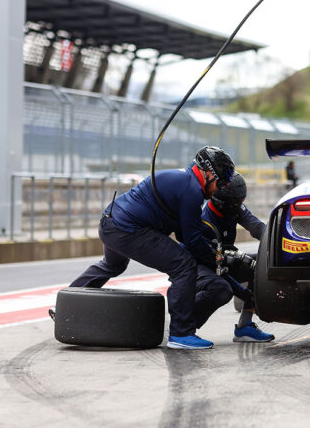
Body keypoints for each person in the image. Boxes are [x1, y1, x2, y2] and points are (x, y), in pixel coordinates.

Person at [66, 146, 235, 350]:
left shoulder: (184, 180)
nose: (220, 189)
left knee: (112, 265)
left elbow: (185, 233)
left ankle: (65, 306)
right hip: (127, 230)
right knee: (184, 266)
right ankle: (181, 334)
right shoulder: (192, 191)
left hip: (109, 223)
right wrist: (217, 259)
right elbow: (191, 241)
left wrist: (209, 249)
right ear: (209, 174)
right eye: (222, 183)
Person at [196, 173, 274, 342]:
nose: (240, 205)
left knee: (260, 264)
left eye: (241, 200)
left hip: (221, 260)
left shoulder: (234, 207)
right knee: (222, 289)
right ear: (223, 202)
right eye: (237, 202)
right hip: (201, 267)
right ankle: (184, 329)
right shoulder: (205, 224)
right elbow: (218, 269)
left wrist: (276, 241)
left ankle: (244, 327)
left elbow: (256, 226)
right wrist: (247, 295)